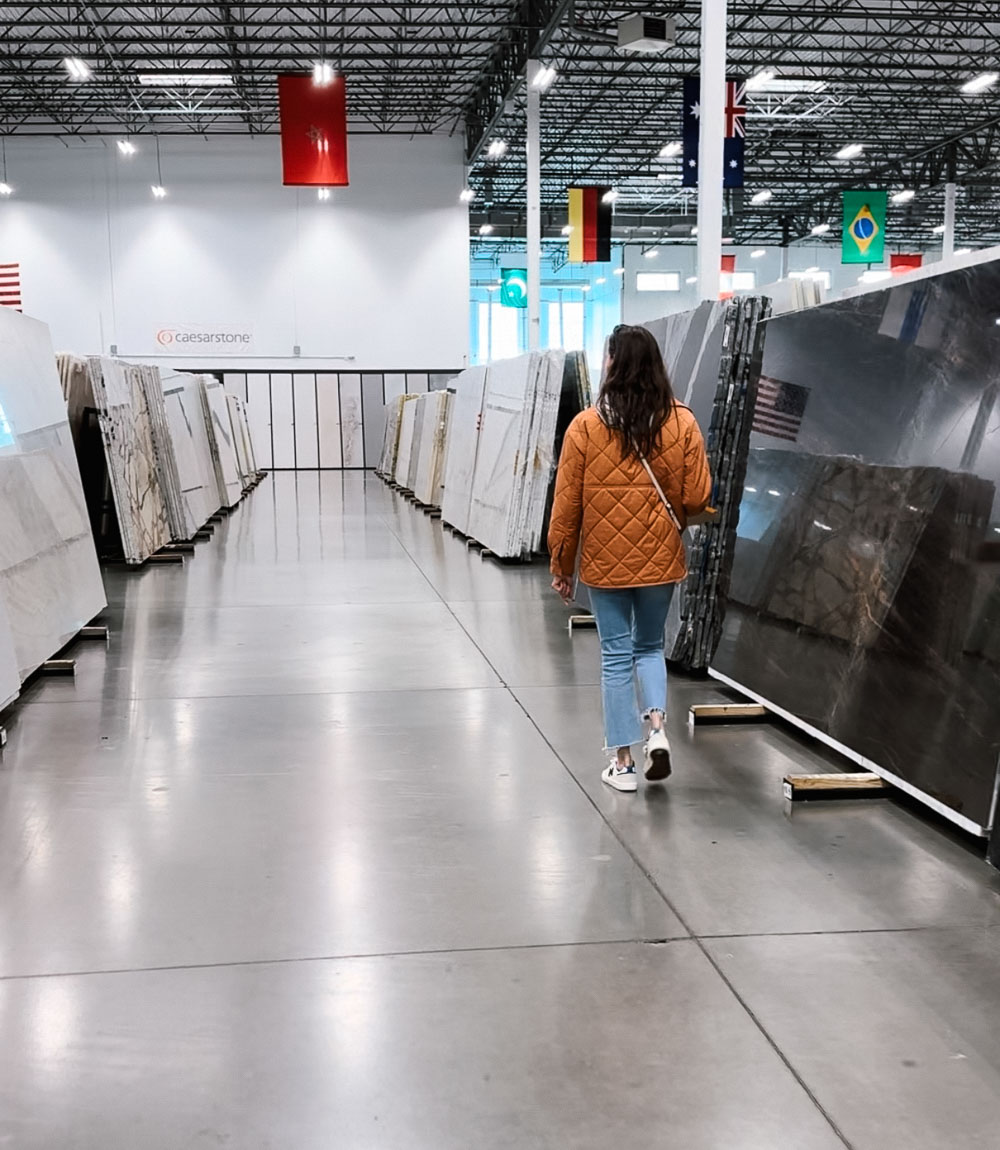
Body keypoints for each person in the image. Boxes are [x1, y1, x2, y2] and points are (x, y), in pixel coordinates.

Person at [548, 324, 712, 793]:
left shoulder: (585, 426)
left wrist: (562, 566)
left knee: (616, 655)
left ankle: (622, 763)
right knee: (649, 647)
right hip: (660, 557)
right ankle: (657, 729)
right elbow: (698, 494)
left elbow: (567, 504)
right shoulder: (682, 422)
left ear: (613, 364)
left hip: (604, 561)